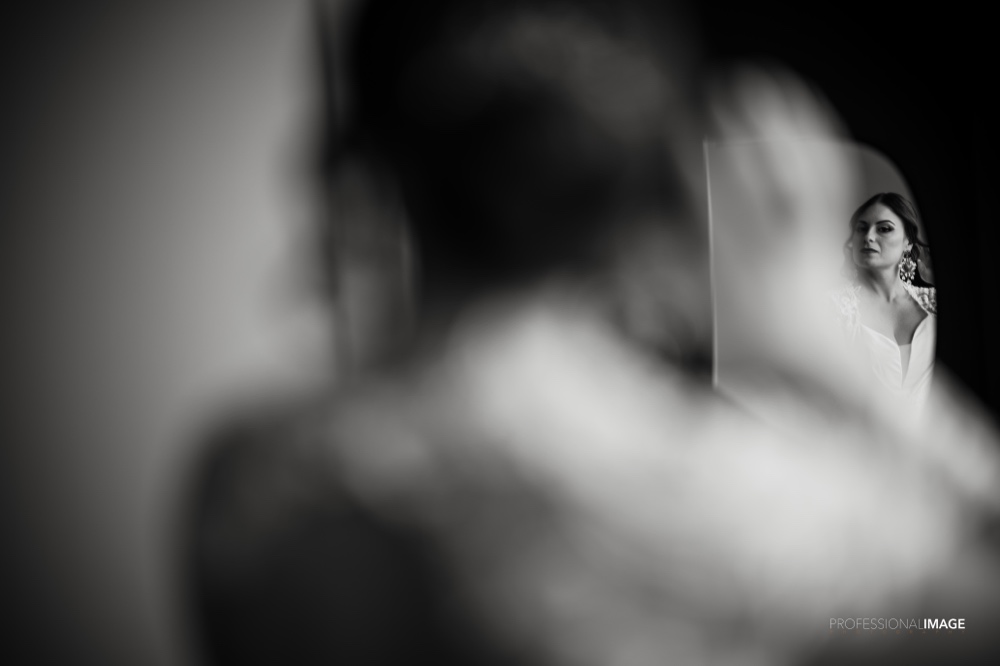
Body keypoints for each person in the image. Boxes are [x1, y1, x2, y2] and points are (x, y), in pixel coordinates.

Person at [184, 2, 1000, 665]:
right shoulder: (707, 503)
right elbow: (963, 613)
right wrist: (844, 359)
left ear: (371, 175)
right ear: (647, 201)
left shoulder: (252, 480)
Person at [832, 192, 937, 413]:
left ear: (907, 242)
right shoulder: (832, 309)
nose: (869, 236)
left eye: (884, 229)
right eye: (861, 228)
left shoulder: (932, 303)